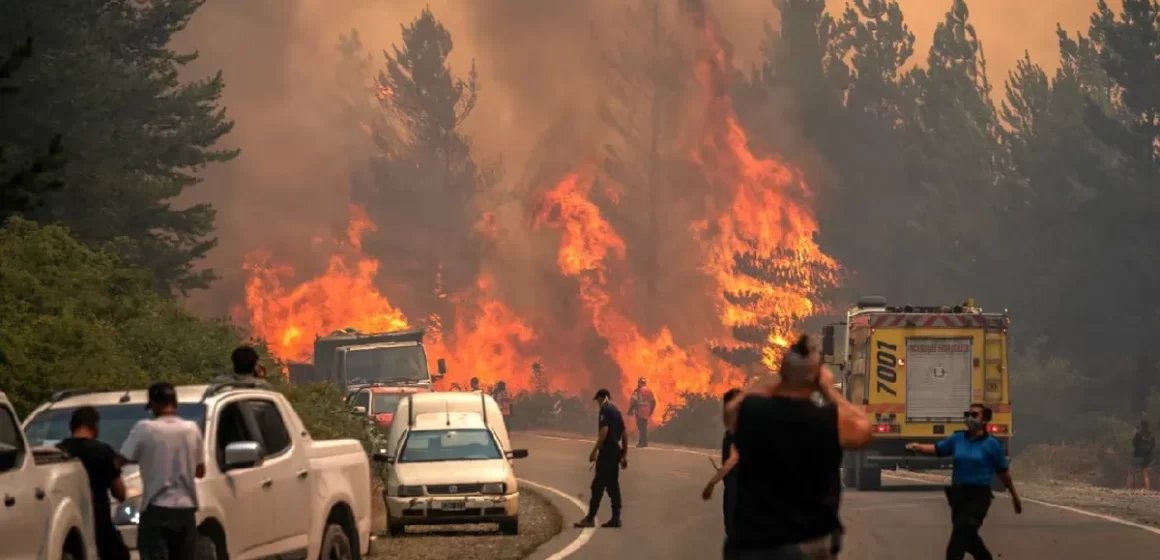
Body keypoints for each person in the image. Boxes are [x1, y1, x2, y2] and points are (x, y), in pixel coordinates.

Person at [722, 334, 872, 560]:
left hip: (753, 546)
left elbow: (731, 408)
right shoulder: (827, 421)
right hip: (807, 546)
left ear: (782, 373)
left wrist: (780, 380)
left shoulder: (752, 413)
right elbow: (864, 428)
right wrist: (828, 390)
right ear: (816, 378)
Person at [906, 404, 1023, 560]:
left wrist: (1015, 497)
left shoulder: (992, 444)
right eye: (967, 414)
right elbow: (938, 449)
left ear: (985, 420)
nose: (969, 418)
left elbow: (1003, 472)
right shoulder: (957, 438)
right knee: (966, 535)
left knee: (962, 531)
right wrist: (918, 447)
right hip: (959, 495)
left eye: (974, 415)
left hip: (979, 496)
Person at [120, 382, 207, 560]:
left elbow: (121, 459)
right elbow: (200, 471)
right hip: (186, 509)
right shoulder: (192, 429)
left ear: (153, 405)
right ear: (175, 403)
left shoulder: (144, 428)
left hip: (156, 510)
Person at [57, 406, 130, 560]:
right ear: (94, 426)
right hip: (99, 523)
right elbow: (120, 493)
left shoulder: (59, 452)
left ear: (72, 427)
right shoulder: (103, 451)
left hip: (67, 529)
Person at [573, 388, 628, 528]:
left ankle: (590, 518)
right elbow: (625, 433)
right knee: (612, 486)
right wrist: (624, 455)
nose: (597, 403)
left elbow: (604, 432)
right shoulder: (616, 411)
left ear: (602, 397)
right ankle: (616, 518)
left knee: (597, 486)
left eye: (597, 399)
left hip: (607, 453)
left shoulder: (605, 409)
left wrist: (594, 451)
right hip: (615, 452)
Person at [702, 388, 742, 542]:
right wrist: (723, 470)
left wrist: (712, 483)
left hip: (737, 490)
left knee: (734, 532)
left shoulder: (736, 430)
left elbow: (733, 459)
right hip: (738, 487)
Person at [627, 377, 657, 448]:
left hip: (639, 411)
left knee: (641, 427)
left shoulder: (637, 391)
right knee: (643, 427)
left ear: (639, 383)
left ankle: (642, 442)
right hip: (647, 411)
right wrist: (651, 411)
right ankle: (644, 442)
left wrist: (630, 410)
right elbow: (653, 402)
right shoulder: (649, 391)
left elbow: (633, 401)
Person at [1129, 419, 1154, 490]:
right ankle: (1147, 490)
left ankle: (1128, 488)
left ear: (1141, 425)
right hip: (1147, 457)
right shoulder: (1151, 435)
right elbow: (1152, 446)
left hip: (1138, 456)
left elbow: (1134, 443)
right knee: (1145, 475)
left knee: (1131, 472)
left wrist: (1134, 434)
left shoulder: (1138, 434)